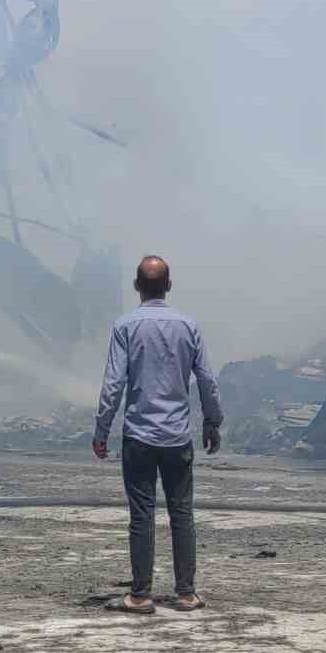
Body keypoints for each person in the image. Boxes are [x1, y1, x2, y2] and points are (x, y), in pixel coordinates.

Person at [93, 256, 223, 615]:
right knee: (182, 513)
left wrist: (102, 429)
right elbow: (207, 381)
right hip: (177, 437)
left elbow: (114, 383)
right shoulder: (188, 326)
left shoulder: (125, 326)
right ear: (169, 285)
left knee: (142, 516)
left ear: (136, 286)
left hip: (139, 436)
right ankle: (185, 594)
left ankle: (140, 595)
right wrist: (212, 422)